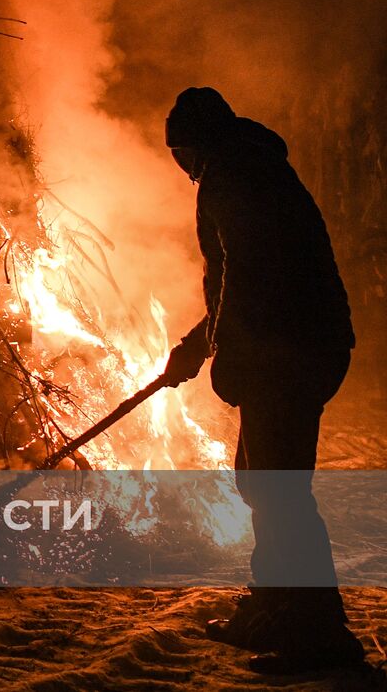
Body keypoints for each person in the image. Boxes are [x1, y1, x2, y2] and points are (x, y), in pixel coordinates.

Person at [159, 87, 363, 674]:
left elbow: (249, 277)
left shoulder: (232, 176)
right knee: (260, 482)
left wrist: (226, 359)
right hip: (300, 344)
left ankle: (318, 637)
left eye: (178, 153)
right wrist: (195, 348)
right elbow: (233, 280)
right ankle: (274, 607)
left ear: (192, 147)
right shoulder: (252, 165)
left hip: (290, 350)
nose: (180, 167)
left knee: (279, 492)